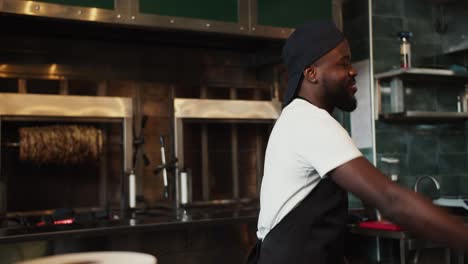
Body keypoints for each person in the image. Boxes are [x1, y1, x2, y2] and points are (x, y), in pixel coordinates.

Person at [247, 21, 468, 264]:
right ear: (311, 73)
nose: (353, 71)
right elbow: (391, 200)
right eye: (343, 63)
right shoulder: (309, 121)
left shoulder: (299, 117)